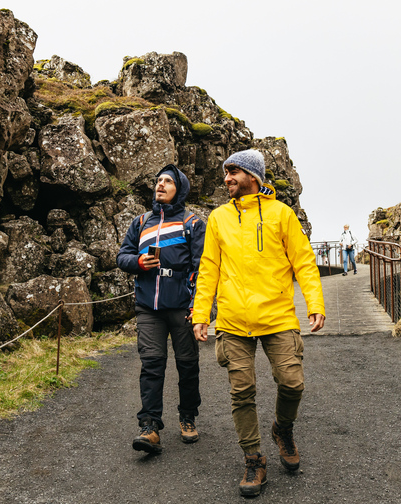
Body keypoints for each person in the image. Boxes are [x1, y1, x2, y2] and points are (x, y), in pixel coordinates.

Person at [191, 149, 325, 497]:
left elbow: (304, 262)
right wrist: (201, 314)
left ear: (253, 176)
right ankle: (254, 459)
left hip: (278, 316)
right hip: (233, 322)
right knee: (242, 392)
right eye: (225, 172)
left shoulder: (282, 214)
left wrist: (315, 303)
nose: (227, 178)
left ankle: (282, 428)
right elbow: (208, 269)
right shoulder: (218, 218)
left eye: (233, 171)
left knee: (292, 382)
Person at [117, 164, 206, 454]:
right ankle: (149, 426)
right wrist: (138, 263)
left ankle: (187, 416)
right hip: (148, 308)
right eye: (158, 181)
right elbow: (123, 256)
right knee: (152, 365)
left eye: (168, 181)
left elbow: (201, 268)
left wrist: (199, 308)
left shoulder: (192, 223)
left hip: (182, 307)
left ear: (179, 188)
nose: (161, 184)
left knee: (187, 365)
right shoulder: (141, 222)